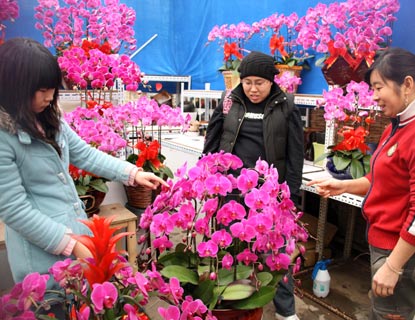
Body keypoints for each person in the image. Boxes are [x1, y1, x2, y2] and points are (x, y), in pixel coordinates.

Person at [0, 38, 168, 314]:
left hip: (77, 238)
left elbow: (86, 155)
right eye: (40, 91)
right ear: (14, 89)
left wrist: (133, 173)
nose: (47, 97)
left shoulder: (49, 119)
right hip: (42, 252)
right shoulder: (4, 137)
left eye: (52, 89)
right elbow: (14, 209)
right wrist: (70, 245)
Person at [307, 47, 415, 319]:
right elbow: (382, 179)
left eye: (378, 87)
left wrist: (394, 266)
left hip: (405, 254)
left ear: (407, 84)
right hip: (387, 246)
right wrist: (345, 185)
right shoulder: (397, 125)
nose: (374, 97)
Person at [203, 51, 304, 320]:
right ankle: (237, 305)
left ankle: (286, 311)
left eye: (259, 82)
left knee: (276, 253)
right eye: (247, 82)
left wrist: (291, 196)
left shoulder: (286, 105)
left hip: (269, 195)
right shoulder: (229, 101)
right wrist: (207, 178)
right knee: (232, 251)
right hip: (232, 194)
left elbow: (295, 155)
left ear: (272, 81)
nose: (253, 88)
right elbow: (212, 143)